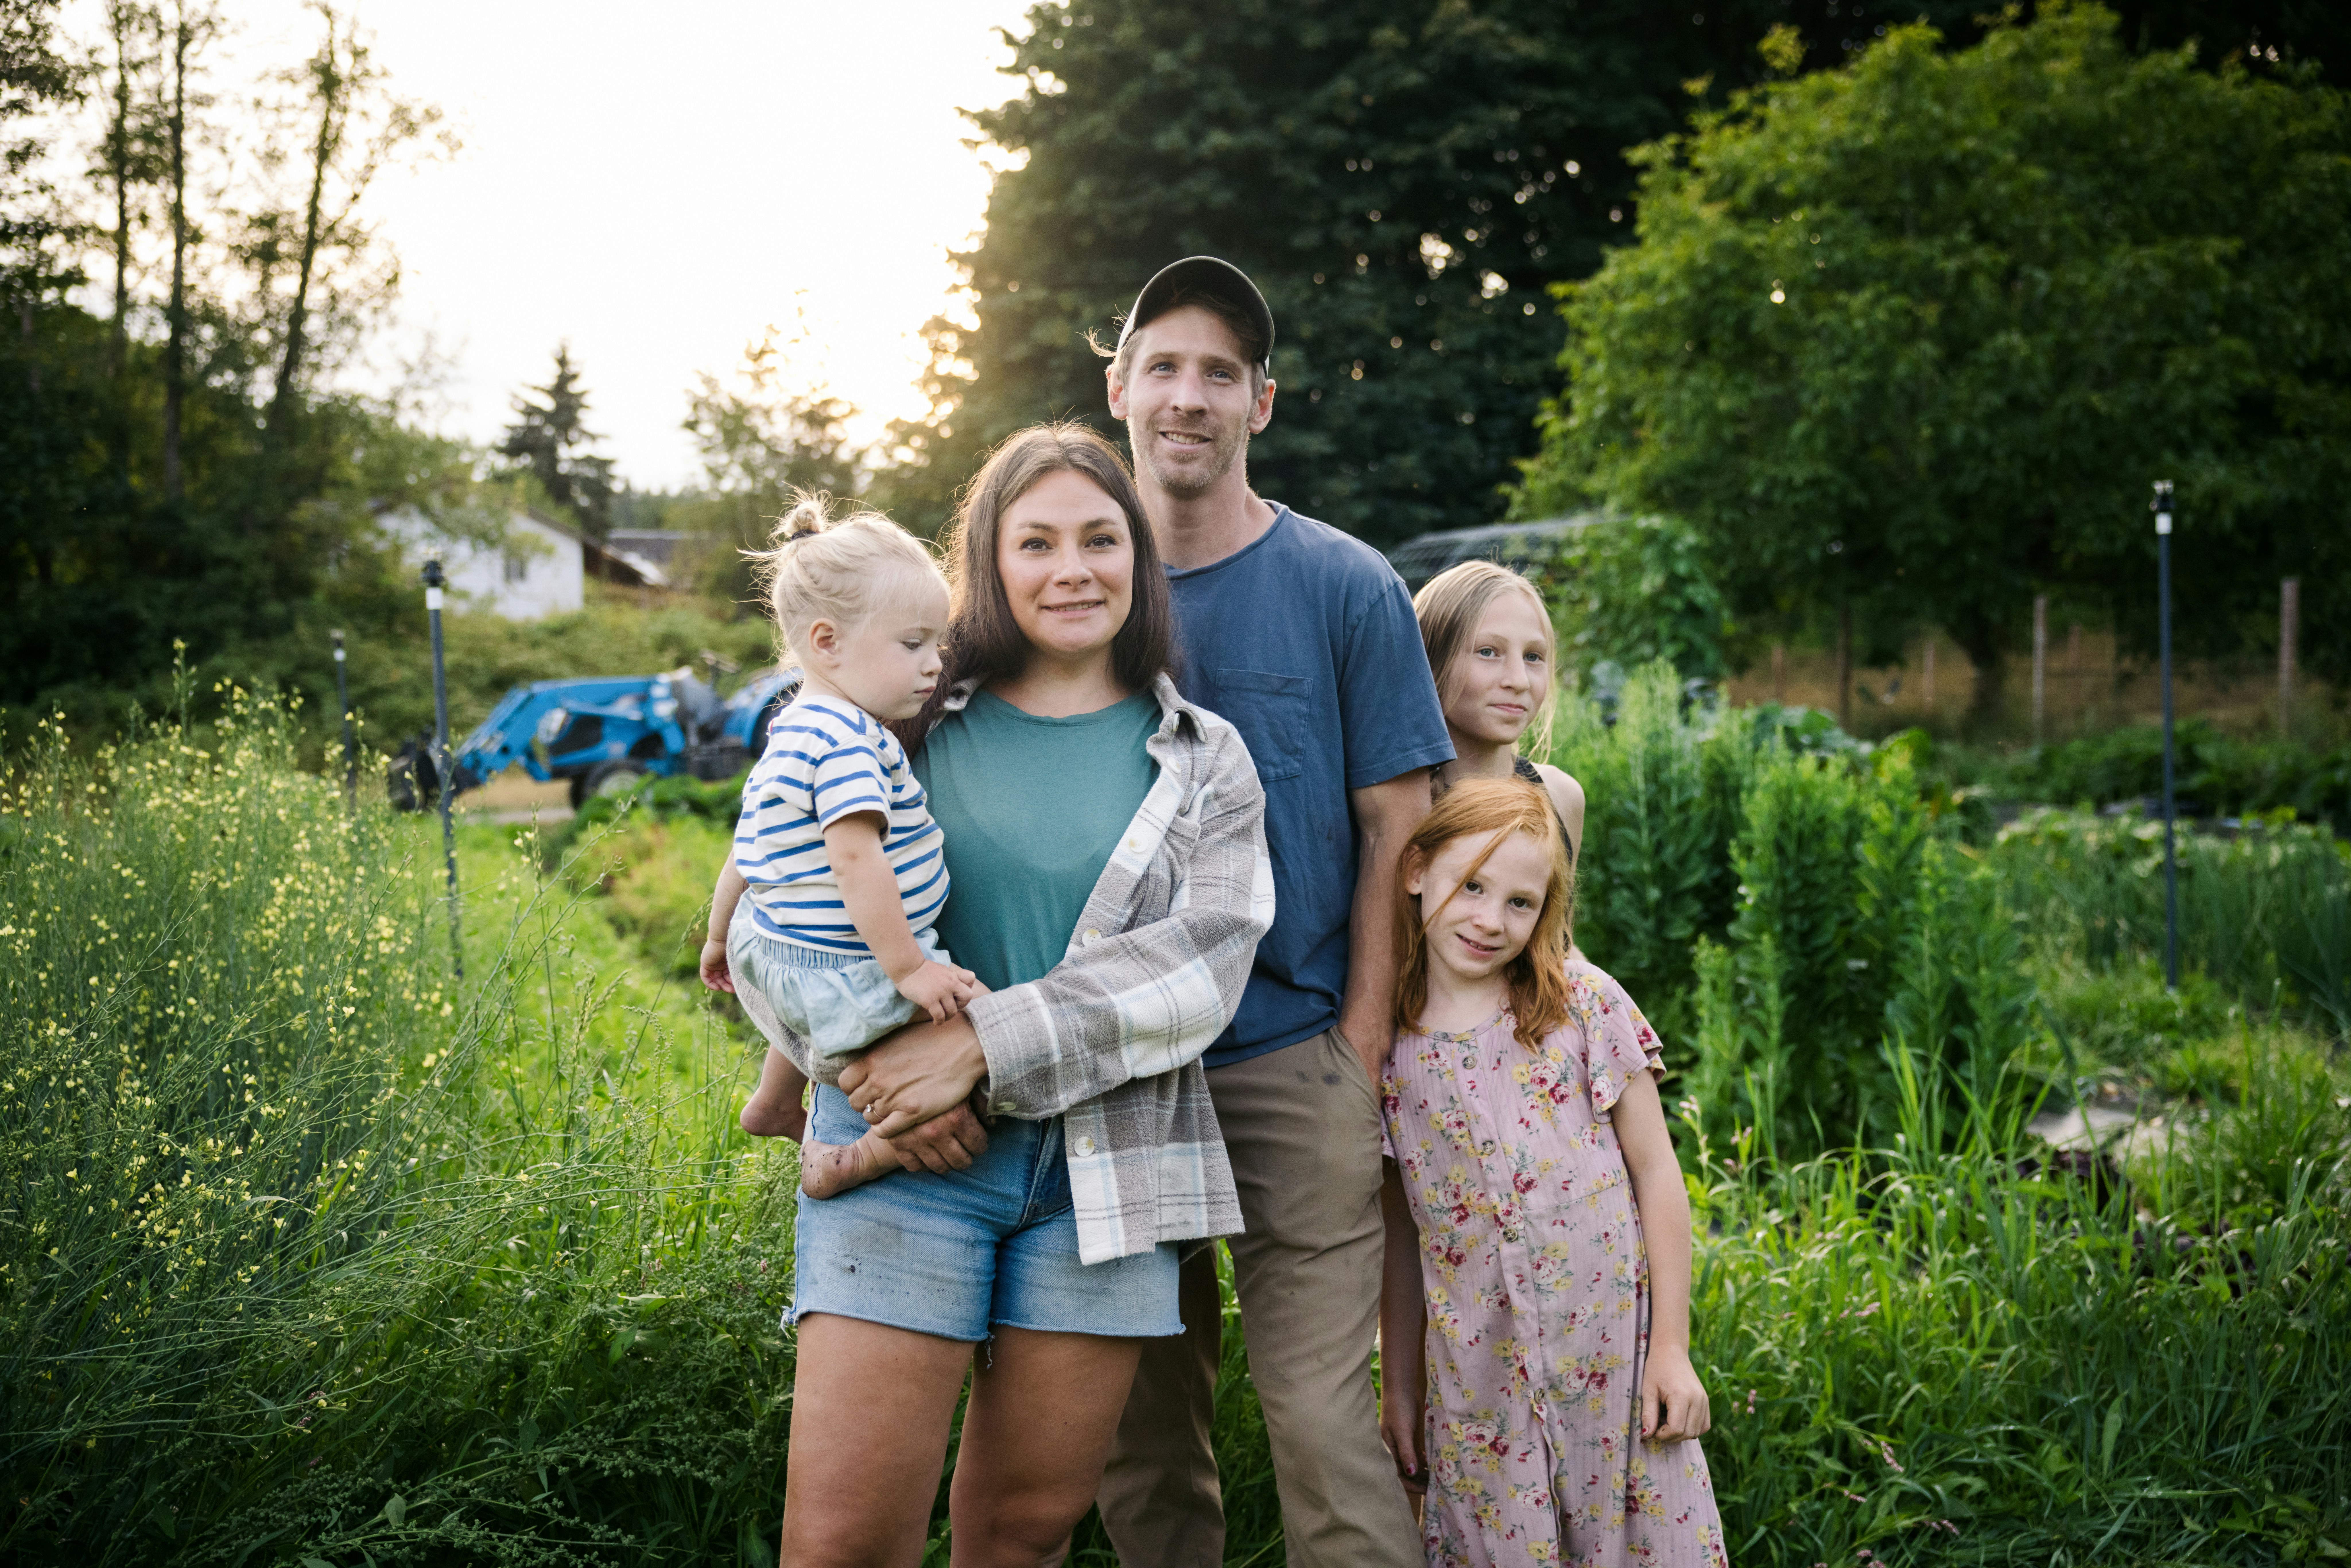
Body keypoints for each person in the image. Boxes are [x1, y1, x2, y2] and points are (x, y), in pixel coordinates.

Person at [760, 422, 1275, 1568]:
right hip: (907, 1152)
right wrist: (873, 1071)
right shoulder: (904, 720)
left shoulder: (1204, 760)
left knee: (1022, 1534)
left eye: (1100, 538)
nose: (1071, 567)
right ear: (985, 565)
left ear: (1139, 559)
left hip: (1105, 1172)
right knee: (844, 1542)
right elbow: (785, 904)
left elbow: (1203, 967)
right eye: (1033, 541)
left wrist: (978, 1046)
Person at [1095, 256, 1452, 1568]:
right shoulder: (1068, 581)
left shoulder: (1347, 587)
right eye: (1166, 365)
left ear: (1264, 403)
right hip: (1116, 1074)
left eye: (1221, 373)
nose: (1189, 396)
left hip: (1293, 1059)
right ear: (1119, 384)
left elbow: (1396, 829)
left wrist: (1360, 1037)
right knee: (1143, 1431)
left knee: (1318, 1417)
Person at [1376, 778, 1725, 1568]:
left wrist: (1671, 1348)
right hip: (1480, 1384)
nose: (1490, 920)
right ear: (1418, 871)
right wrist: (1400, 1387)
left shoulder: (1581, 1006)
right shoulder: (1388, 1051)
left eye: (1520, 903)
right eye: (1473, 887)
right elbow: (1401, 1232)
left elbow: (1657, 1175)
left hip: (1613, 1369)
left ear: (1546, 912)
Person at [698, 495, 981, 1198]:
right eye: (913, 644)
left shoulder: (795, 728)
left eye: (937, 644)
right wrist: (912, 970)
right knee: (973, 1046)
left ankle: (771, 1102)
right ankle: (855, 1157)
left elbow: (749, 845)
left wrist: (716, 935)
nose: (934, 664)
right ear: (826, 642)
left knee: (814, 989)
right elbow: (859, 864)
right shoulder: (848, 743)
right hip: (850, 967)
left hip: (772, 943)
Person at [1412, 560, 1586, 863]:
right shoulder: (1398, 804)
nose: (1518, 680)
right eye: (1488, 652)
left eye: (1533, 656)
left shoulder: (1561, 798)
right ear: (1430, 660)